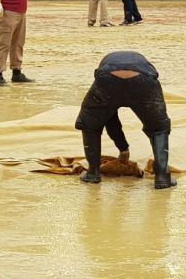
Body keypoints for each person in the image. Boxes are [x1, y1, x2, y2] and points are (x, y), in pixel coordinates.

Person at [75, 51, 176, 189]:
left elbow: (109, 120)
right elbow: (112, 120)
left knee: (89, 124)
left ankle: (93, 173)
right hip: (144, 80)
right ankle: (162, 177)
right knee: (159, 128)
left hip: (107, 79)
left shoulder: (106, 78)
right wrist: (123, 149)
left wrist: (123, 149)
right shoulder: (140, 61)